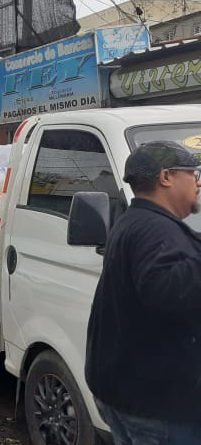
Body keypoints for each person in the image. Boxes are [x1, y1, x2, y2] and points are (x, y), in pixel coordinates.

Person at [85, 141, 201, 444]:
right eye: (193, 173)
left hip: (127, 393)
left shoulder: (138, 223)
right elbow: (169, 293)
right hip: (156, 408)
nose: (198, 181)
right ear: (166, 177)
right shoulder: (155, 231)